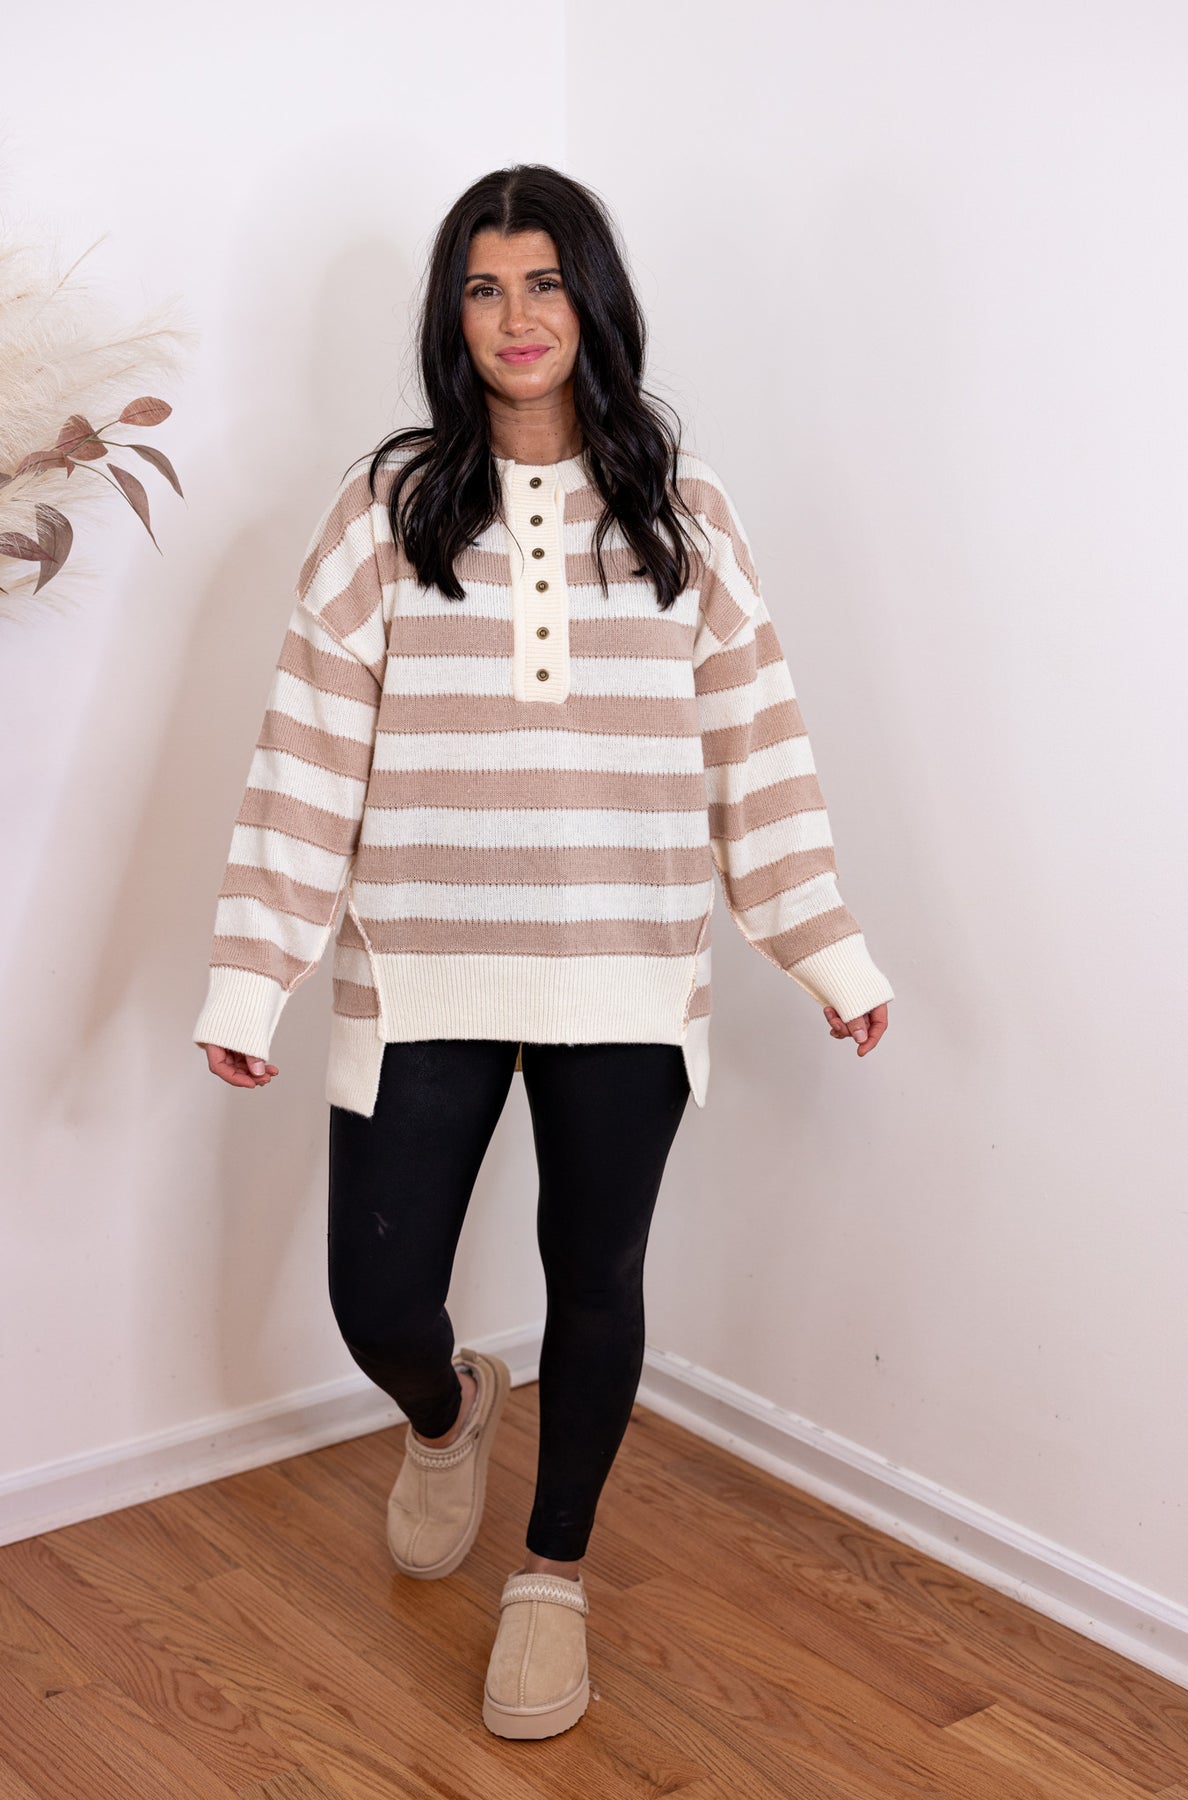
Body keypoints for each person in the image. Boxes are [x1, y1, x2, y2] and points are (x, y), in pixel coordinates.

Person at [192, 163, 894, 1741]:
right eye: (482, 288)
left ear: (593, 300)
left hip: (625, 972)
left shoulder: (685, 511)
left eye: (544, 283)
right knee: (377, 1297)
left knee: (596, 1280)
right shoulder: (386, 510)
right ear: (452, 316)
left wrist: (824, 949)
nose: (516, 318)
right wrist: (256, 972)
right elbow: (305, 759)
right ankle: (446, 1413)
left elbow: (755, 746)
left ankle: (550, 1573)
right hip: (417, 970)